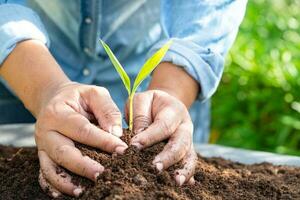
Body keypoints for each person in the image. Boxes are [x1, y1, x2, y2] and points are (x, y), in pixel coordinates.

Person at [0, 0, 247, 197]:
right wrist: (47, 90)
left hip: (162, 69)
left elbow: (208, 7)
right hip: (21, 66)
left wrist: (171, 93)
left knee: (170, 152)